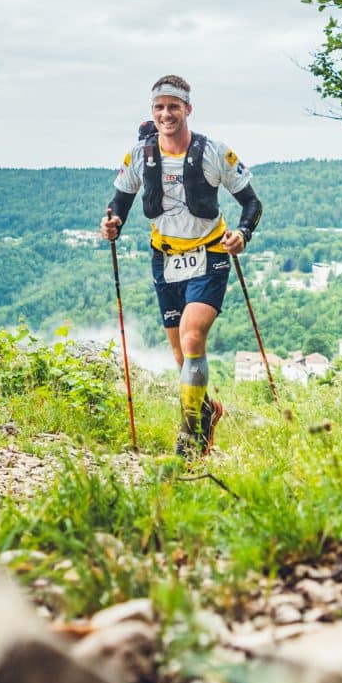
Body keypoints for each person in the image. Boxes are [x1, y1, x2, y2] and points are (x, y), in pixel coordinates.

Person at [100, 74, 263, 458]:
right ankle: (208, 412)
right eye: (159, 107)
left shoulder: (214, 152)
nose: (166, 113)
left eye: (174, 106)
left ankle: (189, 438)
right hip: (165, 256)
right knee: (180, 355)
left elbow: (252, 204)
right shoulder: (140, 155)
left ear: (188, 109)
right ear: (152, 112)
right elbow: (119, 203)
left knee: (192, 340)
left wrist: (242, 234)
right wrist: (112, 223)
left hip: (211, 253)